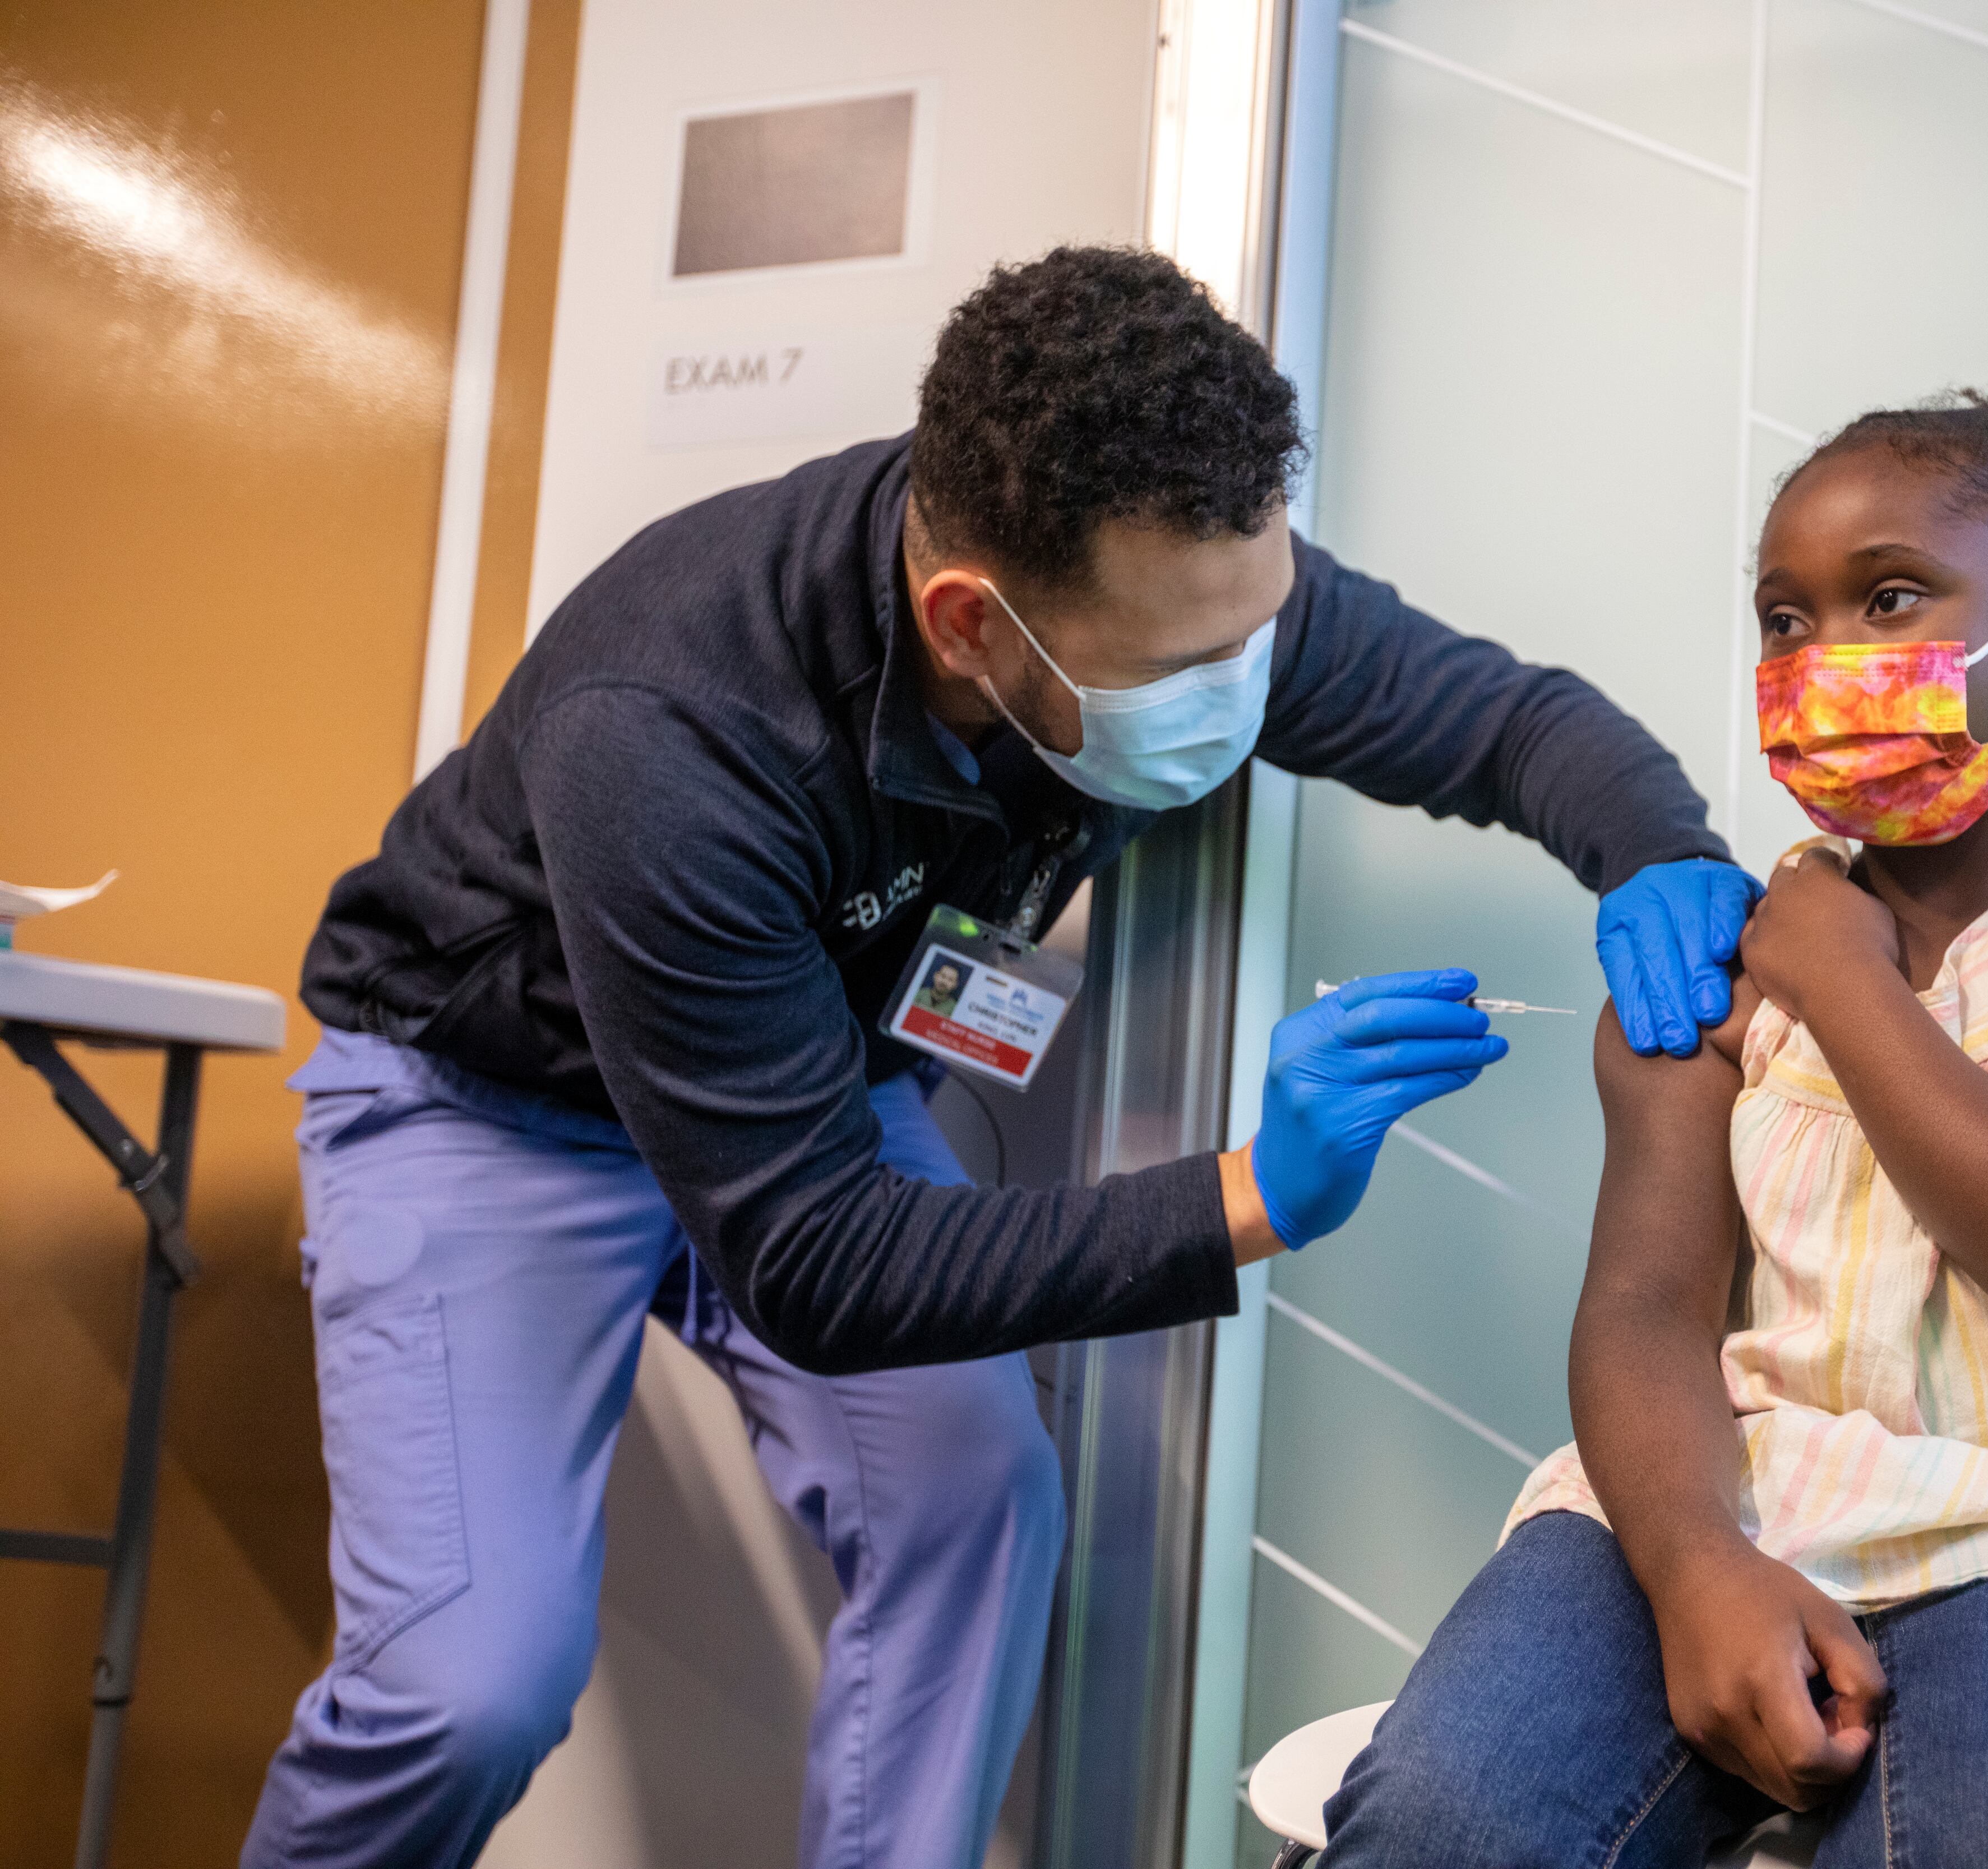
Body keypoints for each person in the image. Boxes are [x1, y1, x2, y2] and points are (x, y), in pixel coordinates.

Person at [244, 246, 1759, 1869]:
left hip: (815, 1079)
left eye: (1258, 632)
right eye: (1186, 674)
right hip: (498, 1110)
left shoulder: (1182, 579)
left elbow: (1505, 723)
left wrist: (1659, 850)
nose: (1237, 692)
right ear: (971, 624)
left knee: (981, 1506)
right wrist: (1250, 1191)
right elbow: (818, 1260)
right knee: (470, 1689)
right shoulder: (671, 725)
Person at [1321, 356, 1988, 1869]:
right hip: (1723, 1509)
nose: (1825, 653)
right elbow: (1643, 1310)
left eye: (1892, 599)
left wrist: (1845, 979)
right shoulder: (1715, 964)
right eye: (1783, 616)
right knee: (1439, 1826)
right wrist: (1694, 1570)